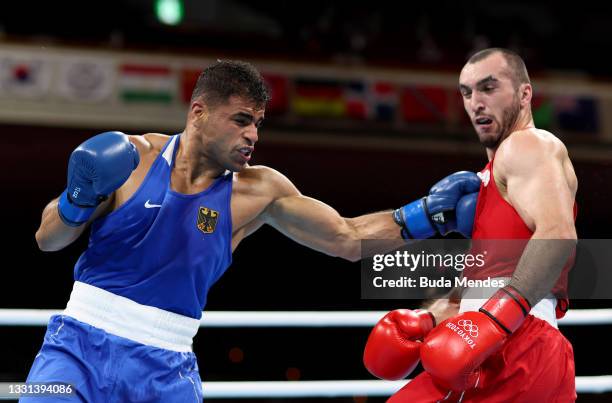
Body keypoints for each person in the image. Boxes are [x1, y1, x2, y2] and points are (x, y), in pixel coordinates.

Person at [26, 60, 480, 402]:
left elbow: (345, 238)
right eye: (241, 120)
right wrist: (76, 199)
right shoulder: (131, 158)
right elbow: (48, 240)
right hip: (75, 348)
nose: (253, 136)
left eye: (258, 124)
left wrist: (426, 216)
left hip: (165, 368)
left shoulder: (259, 191)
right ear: (199, 112)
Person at [364, 48, 578, 402]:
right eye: (466, 92)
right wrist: (427, 320)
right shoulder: (487, 182)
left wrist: (496, 319)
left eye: (488, 88)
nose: (476, 102)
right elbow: (484, 280)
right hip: (487, 342)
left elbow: (557, 235)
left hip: (520, 343)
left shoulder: (530, 145)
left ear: (525, 93)